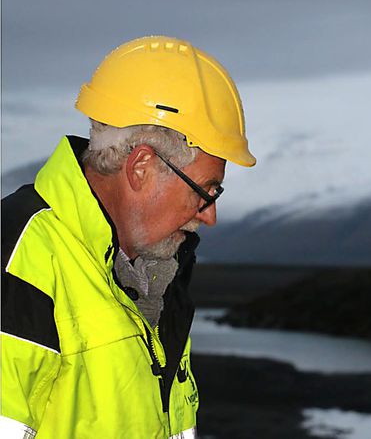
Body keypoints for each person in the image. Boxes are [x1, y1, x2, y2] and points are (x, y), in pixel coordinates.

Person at [1, 36, 255, 438]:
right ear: (141, 167)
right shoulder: (18, 262)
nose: (210, 215)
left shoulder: (159, 278)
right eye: (206, 190)